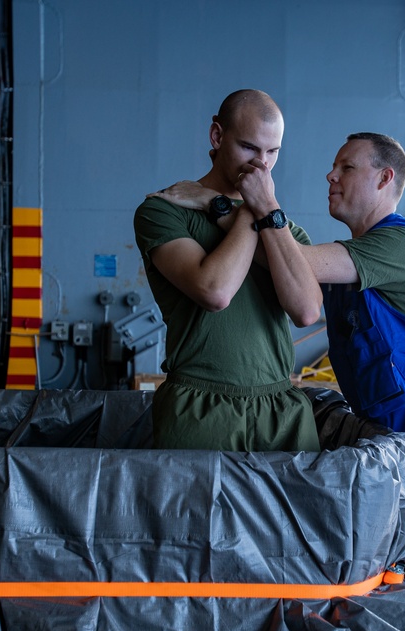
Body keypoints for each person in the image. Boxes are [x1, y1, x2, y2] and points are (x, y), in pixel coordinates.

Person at [154, 132, 405, 631]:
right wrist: (235, 207)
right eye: (332, 166)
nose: (330, 176)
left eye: (345, 167)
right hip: (390, 453)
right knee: (394, 594)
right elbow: (278, 261)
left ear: (384, 179)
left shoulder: (397, 245)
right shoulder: (356, 254)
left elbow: (295, 263)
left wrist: (240, 205)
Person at [134, 89, 322, 453]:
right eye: (250, 148)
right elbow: (215, 291)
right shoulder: (165, 210)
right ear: (217, 137)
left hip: (281, 408)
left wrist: (240, 206)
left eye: (273, 152)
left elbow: (307, 310)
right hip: (199, 408)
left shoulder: (285, 230)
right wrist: (252, 209)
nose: (261, 166)